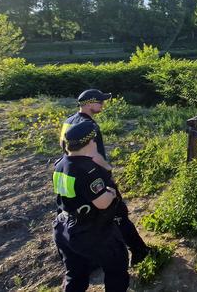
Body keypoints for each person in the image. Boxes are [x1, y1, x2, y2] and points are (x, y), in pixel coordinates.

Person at [60, 89, 149, 266]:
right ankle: (139, 251)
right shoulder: (90, 128)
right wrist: (107, 172)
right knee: (118, 214)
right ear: (89, 104)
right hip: (95, 178)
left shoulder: (68, 121)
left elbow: (63, 146)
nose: (103, 104)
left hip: (73, 174)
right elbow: (95, 155)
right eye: (100, 102)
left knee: (91, 218)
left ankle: (93, 257)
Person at [53, 120, 129, 291]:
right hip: (89, 230)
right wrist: (111, 193)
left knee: (75, 275)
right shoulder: (88, 170)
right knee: (117, 266)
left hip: (63, 226)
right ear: (90, 142)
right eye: (94, 140)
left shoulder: (60, 164)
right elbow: (102, 203)